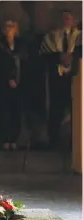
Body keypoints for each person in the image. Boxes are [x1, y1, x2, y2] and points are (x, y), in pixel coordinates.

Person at [40, 10, 81, 149]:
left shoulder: (79, 36)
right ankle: (53, 140)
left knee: (76, 110)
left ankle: (75, 141)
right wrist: (59, 56)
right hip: (57, 78)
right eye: (64, 18)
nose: (67, 21)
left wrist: (72, 58)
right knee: (55, 109)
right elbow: (44, 55)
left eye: (69, 18)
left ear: (74, 21)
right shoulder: (52, 36)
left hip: (76, 78)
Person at [0, 20, 28, 151]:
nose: (9, 29)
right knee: (2, 111)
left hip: (19, 83)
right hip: (2, 84)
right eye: (7, 26)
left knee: (16, 110)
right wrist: (8, 78)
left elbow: (26, 62)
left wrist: (17, 79)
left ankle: (14, 139)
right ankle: (4, 138)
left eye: (12, 26)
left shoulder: (21, 44)